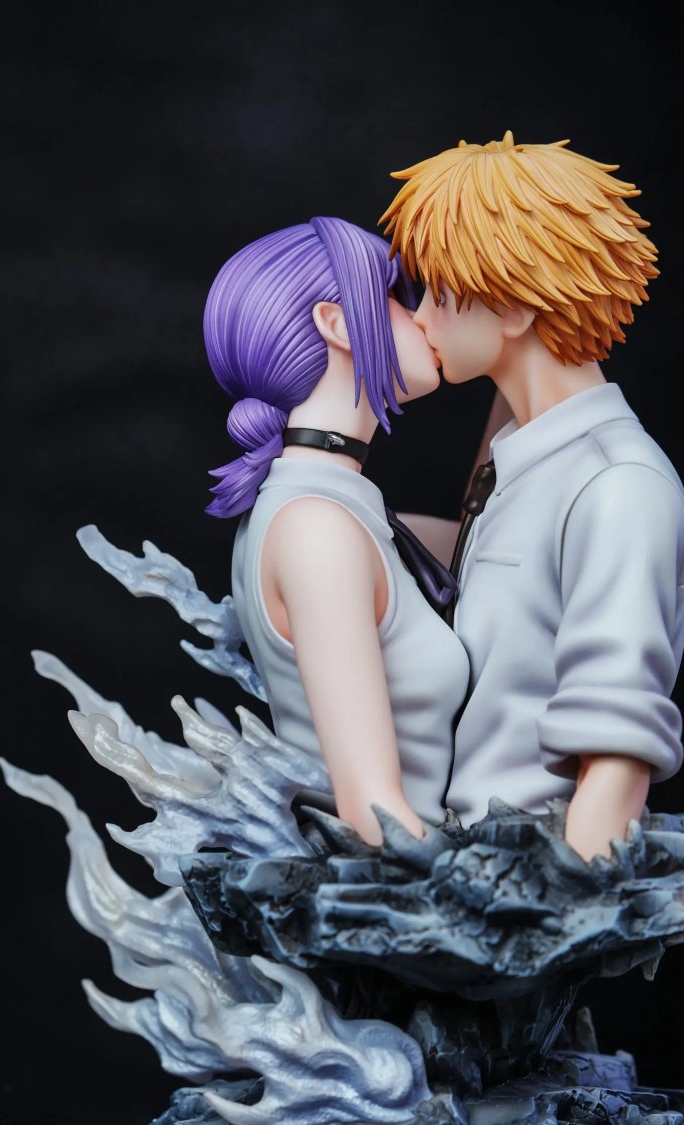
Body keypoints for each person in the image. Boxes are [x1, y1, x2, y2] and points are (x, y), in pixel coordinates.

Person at [380, 132, 684, 863]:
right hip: (461, 859)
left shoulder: (616, 486)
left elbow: (616, 758)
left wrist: (555, 906)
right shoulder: (524, 461)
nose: (418, 318)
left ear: (516, 307)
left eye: (440, 293)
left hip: (527, 876)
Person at [203, 216, 469, 846]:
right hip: (401, 887)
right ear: (340, 325)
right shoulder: (316, 529)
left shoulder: (332, 506)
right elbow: (375, 816)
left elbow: (482, 532)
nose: (423, 317)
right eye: (399, 297)